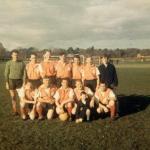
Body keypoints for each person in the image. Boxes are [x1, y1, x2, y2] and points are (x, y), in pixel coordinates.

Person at [4, 50, 26, 115]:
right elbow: (6, 73)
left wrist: (24, 82)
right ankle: (15, 111)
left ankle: (22, 110)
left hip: (19, 81)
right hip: (11, 81)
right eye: (14, 55)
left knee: (21, 97)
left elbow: (24, 73)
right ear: (12, 55)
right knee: (13, 97)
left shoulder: (22, 63)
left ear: (18, 55)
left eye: (16, 55)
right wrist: (7, 82)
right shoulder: (8, 63)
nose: (15, 56)